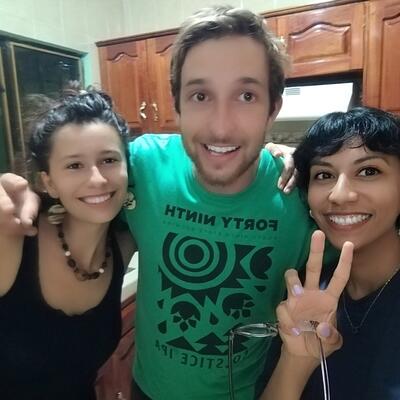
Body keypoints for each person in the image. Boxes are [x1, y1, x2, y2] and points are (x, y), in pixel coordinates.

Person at [0, 6, 333, 400]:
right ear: (177, 105)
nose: (221, 126)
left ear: (273, 107)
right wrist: (16, 190)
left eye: (246, 95)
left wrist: (303, 160)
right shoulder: (141, 164)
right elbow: (82, 173)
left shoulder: (302, 196)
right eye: (200, 95)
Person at [0, 89, 135, 399]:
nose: (97, 179)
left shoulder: (125, 245)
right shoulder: (15, 237)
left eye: (109, 160)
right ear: (49, 182)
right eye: (75, 165)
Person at [262, 106, 400, 400]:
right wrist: (296, 360)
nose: (339, 195)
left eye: (368, 171)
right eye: (324, 174)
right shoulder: (307, 292)